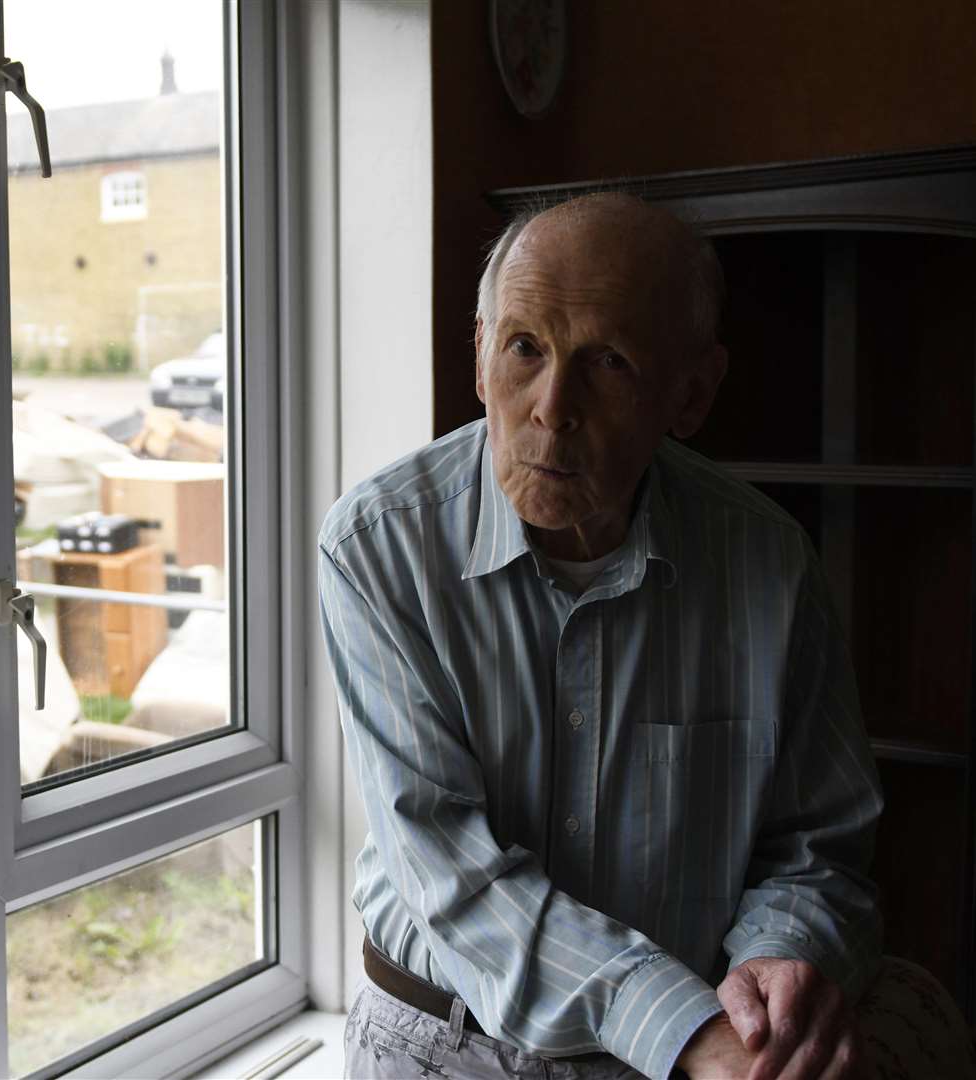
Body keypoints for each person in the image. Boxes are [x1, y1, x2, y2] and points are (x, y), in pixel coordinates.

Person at [319, 193, 882, 1080]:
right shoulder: (378, 548)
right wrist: (689, 1034)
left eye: (609, 362)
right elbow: (452, 878)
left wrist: (778, 956)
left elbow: (815, 842)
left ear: (690, 394)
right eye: (524, 348)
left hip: (705, 1036)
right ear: (478, 356)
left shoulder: (769, 563)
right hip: (444, 1041)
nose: (551, 408)